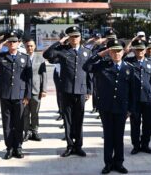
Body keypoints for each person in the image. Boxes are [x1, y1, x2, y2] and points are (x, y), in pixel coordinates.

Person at [83, 39, 134, 174]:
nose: (116, 54)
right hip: (106, 107)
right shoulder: (102, 65)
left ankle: (119, 163)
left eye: (118, 51)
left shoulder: (129, 68)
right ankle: (108, 164)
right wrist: (101, 54)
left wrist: (130, 109)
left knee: (119, 137)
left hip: (122, 108)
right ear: (109, 52)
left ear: (123, 52)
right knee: (108, 137)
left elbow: (132, 91)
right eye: (113, 51)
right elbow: (86, 67)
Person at [43, 26, 92, 157]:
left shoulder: (87, 52)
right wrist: (59, 42)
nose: (74, 39)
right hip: (66, 90)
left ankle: (79, 146)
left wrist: (89, 90)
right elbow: (46, 55)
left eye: (76, 36)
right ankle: (70, 146)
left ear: (80, 37)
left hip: (81, 90)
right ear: (68, 38)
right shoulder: (62, 50)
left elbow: (89, 73)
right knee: (68, 120)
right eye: (71, 36)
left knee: (79, 119)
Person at [0, 31, 32, 159]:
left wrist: (28, 95)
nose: (12, 43)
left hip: (20, 96)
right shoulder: (1, 56)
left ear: (19, 43)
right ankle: (9, 148)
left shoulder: (25, 57)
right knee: (7, 123)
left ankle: (18, 147)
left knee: (19, 123)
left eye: (14, 41)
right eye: (9, 41)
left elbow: (29, 79)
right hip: (5, 95)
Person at [125, 39, 151, 155]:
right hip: (134, 99)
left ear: (145, 50)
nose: (140, 51)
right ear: (134, 50)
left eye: (142, 49)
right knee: (135, 124)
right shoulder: (128, 62)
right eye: (137, 49)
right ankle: (136, 145)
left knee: (148, 123)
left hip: (149, 99)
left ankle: (145, 145)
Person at [23, 39, 47, 142]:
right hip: (24, 90)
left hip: (36, 90)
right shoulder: (22, 58)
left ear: (35, 46)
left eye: (32, 46)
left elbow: (44, 75)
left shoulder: (40, 58)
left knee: (35, 112)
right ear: (25, 47)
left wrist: (44, 90)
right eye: (28, 46)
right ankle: (27, 132)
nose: (30, 48)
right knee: (25, 113)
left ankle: (35, 131)